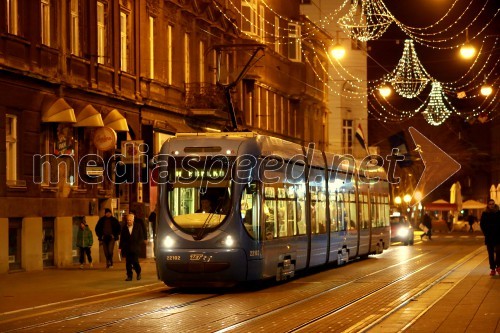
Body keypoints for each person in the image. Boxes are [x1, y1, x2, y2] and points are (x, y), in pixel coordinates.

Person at [119, 214, 145, 281]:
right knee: (128, 262)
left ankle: (138, 272)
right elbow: (122, 238)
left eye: (130, 220)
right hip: (127, 248)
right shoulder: (124, 228)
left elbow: (141, 237)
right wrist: (120, 247)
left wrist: (138, 243)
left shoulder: (138, 226)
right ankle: (129, 276)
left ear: (133, 220)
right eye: (128, 220)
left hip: (135, 247)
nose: (129, 221)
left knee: (135, 261)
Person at [479, 199, 500, 276]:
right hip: (489, 236)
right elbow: (482, 224)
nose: (491, 205)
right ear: (488, 205)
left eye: (493, 204)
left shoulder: (498, 213)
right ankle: (493, 268)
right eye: (490, 204)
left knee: (499, 252)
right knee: (490, 253)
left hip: (498, 236)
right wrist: (486, 233)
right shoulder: (485, 214)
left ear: (494, 204)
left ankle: (498, 266)